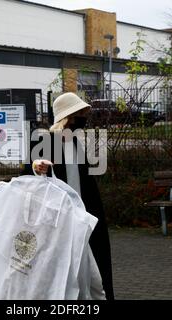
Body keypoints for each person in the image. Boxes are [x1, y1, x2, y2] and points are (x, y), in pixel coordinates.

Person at [23, 92, 115, 300]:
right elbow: (30, 170)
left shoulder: (74, 142)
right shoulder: (45, 139)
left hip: (81, 217)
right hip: (59, 221)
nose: (84, 118)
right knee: (63, 272)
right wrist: (37, 166)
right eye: (81, 113)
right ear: (69, 116)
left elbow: (83, 181)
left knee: (90, 271)